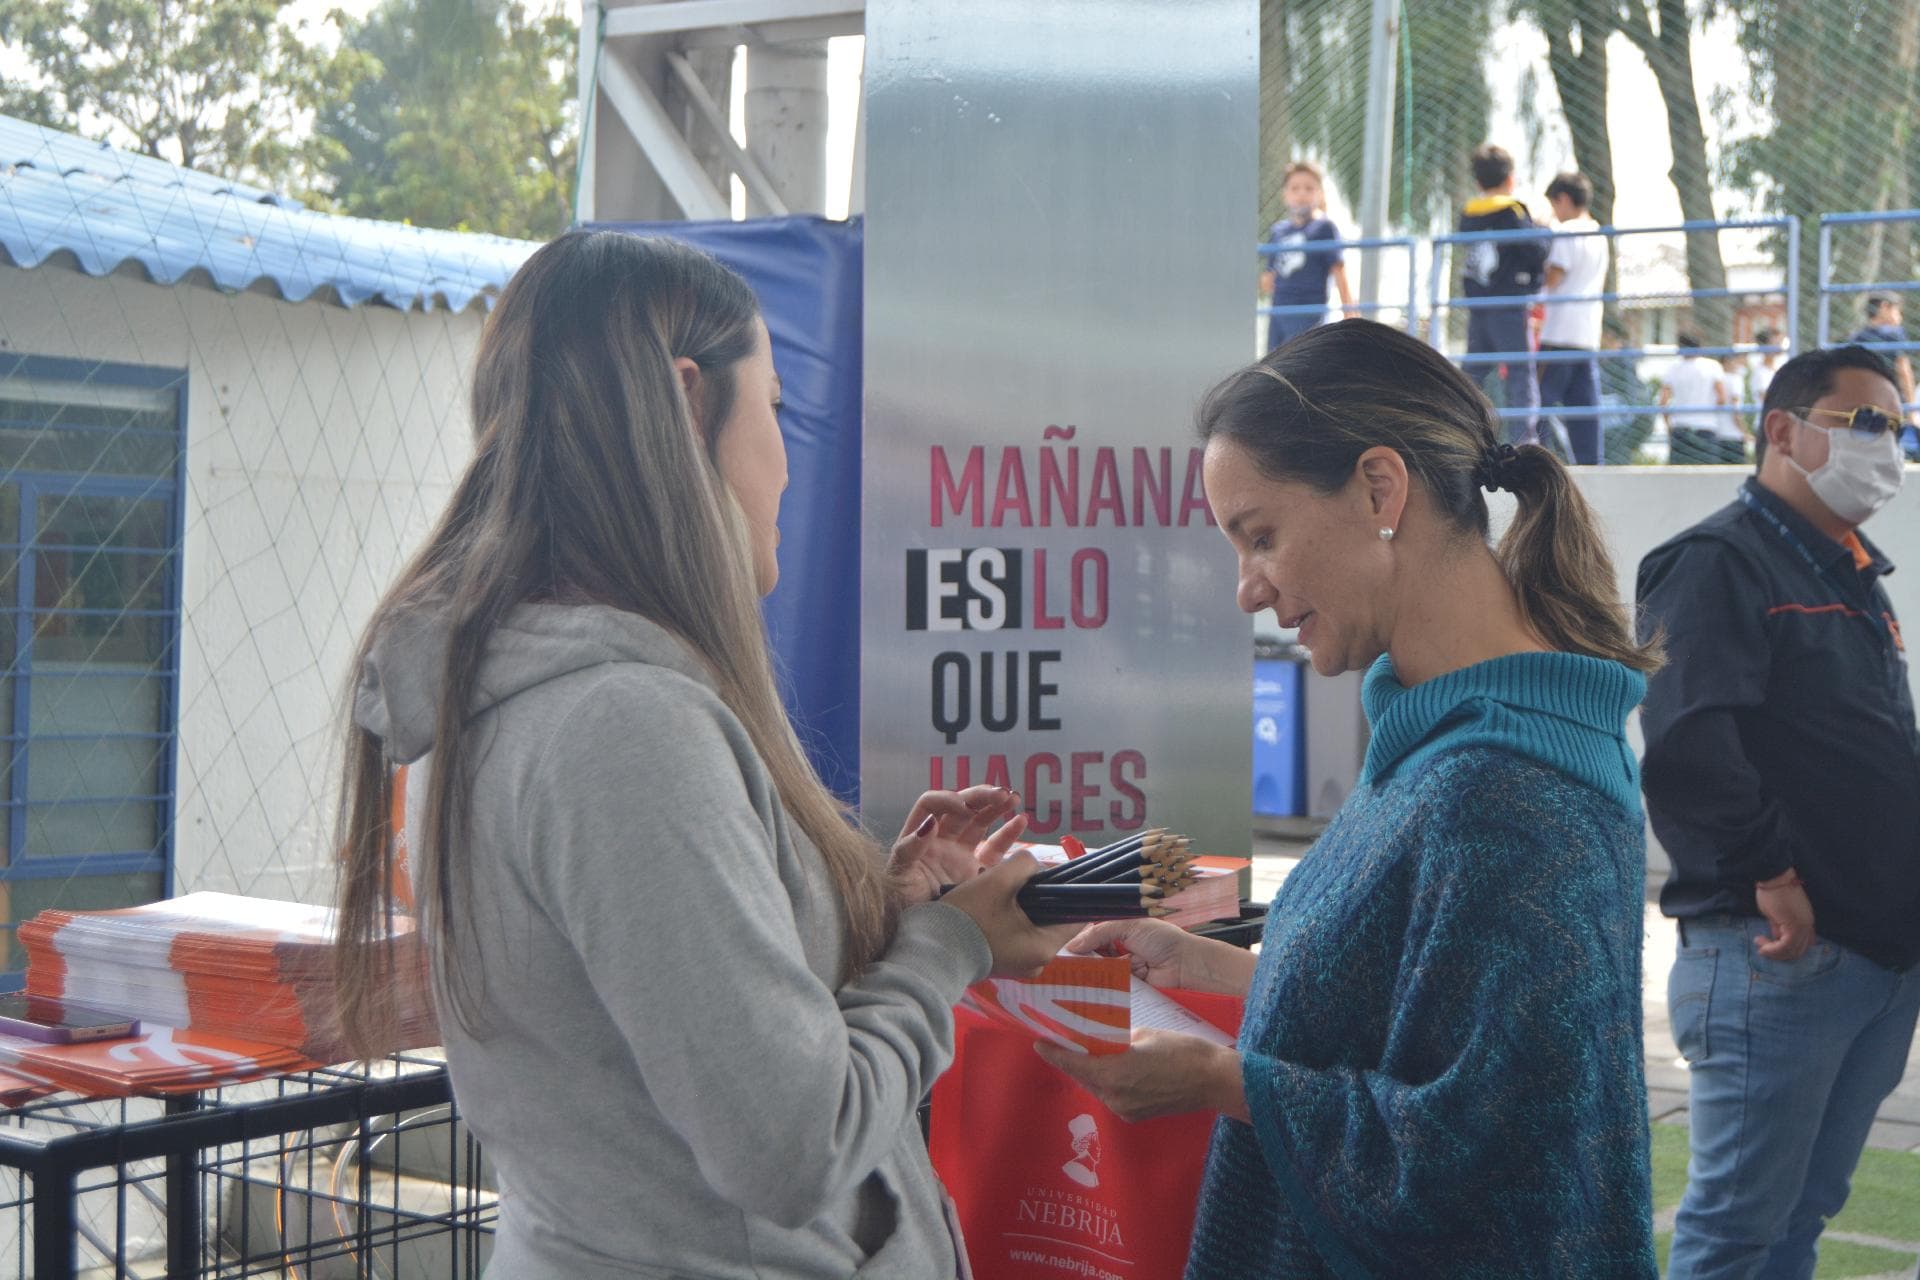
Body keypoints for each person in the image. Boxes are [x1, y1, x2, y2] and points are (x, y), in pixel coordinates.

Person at [329, 231, 1075, 1279]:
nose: (786, 454)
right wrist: (948, 947)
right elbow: (788, 1142)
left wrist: (876, 909)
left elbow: (675, 1022)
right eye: (773, 403)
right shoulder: (622, 730)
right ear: (689, 404)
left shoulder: (531, 694)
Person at [1038, 319, 1661, 1278]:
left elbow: (1474, 1166)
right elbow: (1421, 1008)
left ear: (1380, 489)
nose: (1248, 589)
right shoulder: (1445, 741)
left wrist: (1219, 1077)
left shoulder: (1511, 796)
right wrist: (1213, 964)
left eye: (1261, 536)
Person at [1638, 344, 1920, 1280]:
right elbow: (1686, 739)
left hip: (1871, 955)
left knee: (1801, 1216)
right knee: (1734, 1230)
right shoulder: (1717, 563)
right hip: (1781, 953)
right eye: (1865, 421)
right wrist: (1773, 872)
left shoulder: (1849, 572)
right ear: (1782, 431)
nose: (1888, 442)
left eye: (1899, 424)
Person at [1458, 144, 1549, 444]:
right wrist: (1542, 231)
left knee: (1472, 374)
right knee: (1521, 372)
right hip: (1509, 305)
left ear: (1477, 182)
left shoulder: (1469, 215)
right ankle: (1525, 440)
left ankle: (1456, 429)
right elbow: (1534, 251)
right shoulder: (1512, 211)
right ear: (1510, 179)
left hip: (1479, 306)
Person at [1538, 171, 1608, 465]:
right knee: (1584, 408)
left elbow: (1554, 277)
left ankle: (1534, 463)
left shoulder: (1567, 232)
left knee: (1536, 402)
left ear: (1563, 199)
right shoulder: (1599, 234)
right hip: (1587, 335)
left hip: (1558, 333)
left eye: (1555, 205)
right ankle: (1593, 466)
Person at [1260, 162, 1359, 352]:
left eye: (1309, 188)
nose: (1301, 194)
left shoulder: (1324, 228)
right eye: (1295, 188)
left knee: (1303, 366)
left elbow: (1339, 273)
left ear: (1320, 193)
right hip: (1279, 313)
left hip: (1308, 313)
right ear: (1285, 194)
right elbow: (1268, 278)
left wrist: (1350, 314)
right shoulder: (1278, 231)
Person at [1661, 331, 1740, 462]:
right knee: (1707, 475)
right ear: (1700, 347)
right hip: (1706, 426)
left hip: (1680, 427)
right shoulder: (1712, 366)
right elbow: (1722, 398)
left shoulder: (1672, 369)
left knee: (1678, 476)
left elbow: (1663, 402)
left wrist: (1669, 426)